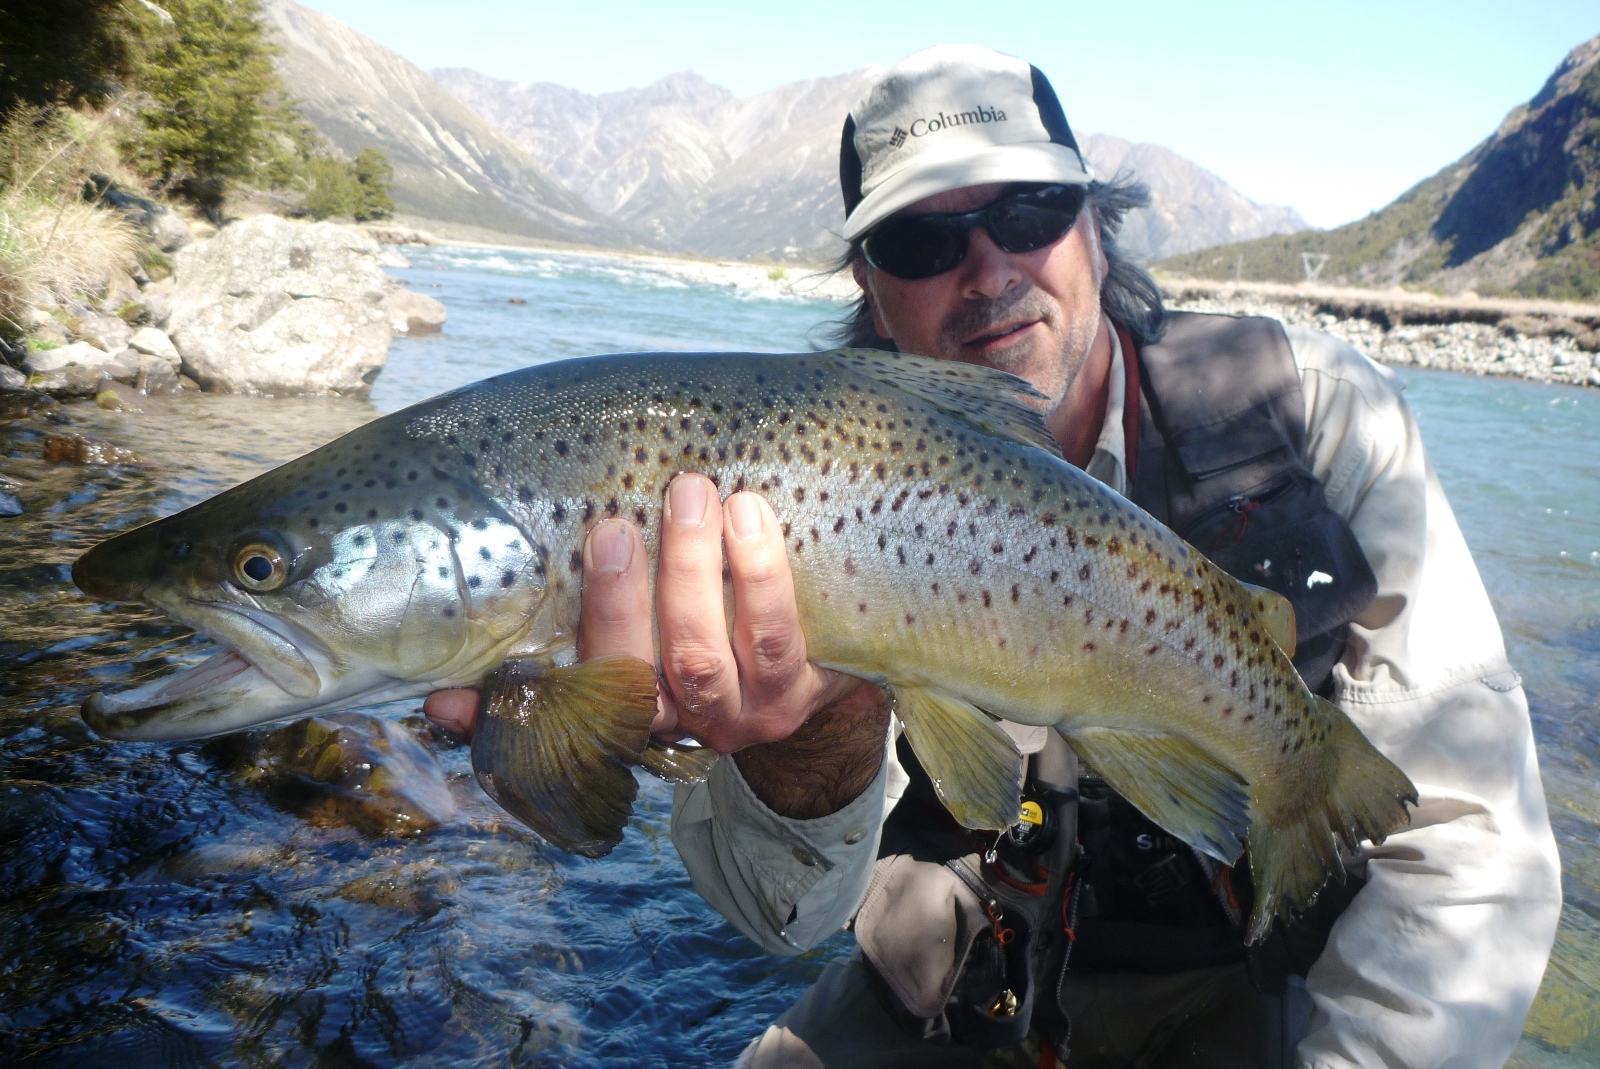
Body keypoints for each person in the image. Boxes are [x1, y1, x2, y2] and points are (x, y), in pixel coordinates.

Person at [425, 45, 1562, 1069]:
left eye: (1028, 211)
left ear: (1095, 223)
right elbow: (782, 920)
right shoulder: (773, 492)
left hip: (1244, 988)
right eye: (920, 242)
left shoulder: (1314, 412)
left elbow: (1469, 849)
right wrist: (811, 738)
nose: (986, 269)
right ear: (869, 286)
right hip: (954, 981)